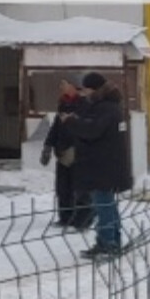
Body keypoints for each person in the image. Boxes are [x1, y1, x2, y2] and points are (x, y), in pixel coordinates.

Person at [59, 71, 131, 258]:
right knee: (107, 204)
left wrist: (72, 122)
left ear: (95, 89)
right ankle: (112, 240)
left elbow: (92, 131)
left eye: (87, 90)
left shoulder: (105, 108)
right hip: (106, 166)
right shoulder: (110, 107)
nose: (85, 94)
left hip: (102, 167)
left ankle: (107, 243)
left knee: (103, 205)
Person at [39, 86, 95, 230]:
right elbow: (56, 128)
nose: (63, 88)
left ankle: (83, 219)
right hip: (62, 152)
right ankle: (65, 217)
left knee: (80, 188)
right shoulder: (63, 104)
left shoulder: (86, 105)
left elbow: (87, 128)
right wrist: (48, 146)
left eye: (66, 85)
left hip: (78, 152)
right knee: (63, 188)